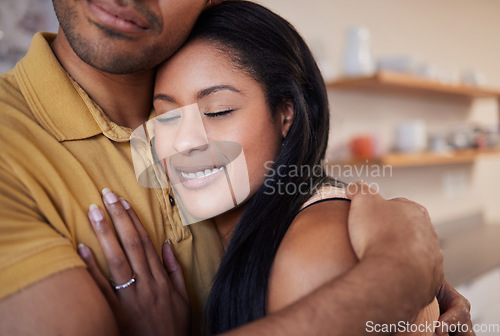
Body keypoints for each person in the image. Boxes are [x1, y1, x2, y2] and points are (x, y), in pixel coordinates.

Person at [0, 0, 471, 335]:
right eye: (165, 115)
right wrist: (399, 272)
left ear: (286, 114)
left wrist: (403, 268)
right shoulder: (130, 137)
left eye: (219, 110)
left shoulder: (312, 256)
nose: (184, 142)